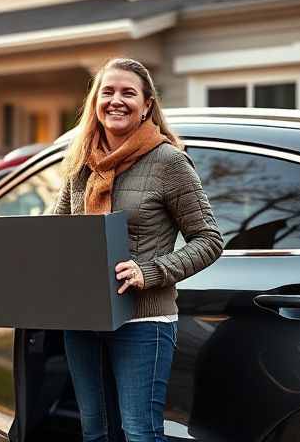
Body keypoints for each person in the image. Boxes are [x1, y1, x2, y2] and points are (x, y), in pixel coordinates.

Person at [52, 58, 223, 441]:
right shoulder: (82, 164)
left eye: (128, 93)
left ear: (147, 105)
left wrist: (150, 272)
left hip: (143, 322)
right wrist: (4, 277)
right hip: (82, 319)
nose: (116, 100)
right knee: (94, 431)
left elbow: (209, 239)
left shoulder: (169, 162)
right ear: (95, 101)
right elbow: (53, 236)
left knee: (139, 433)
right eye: (107, 92)